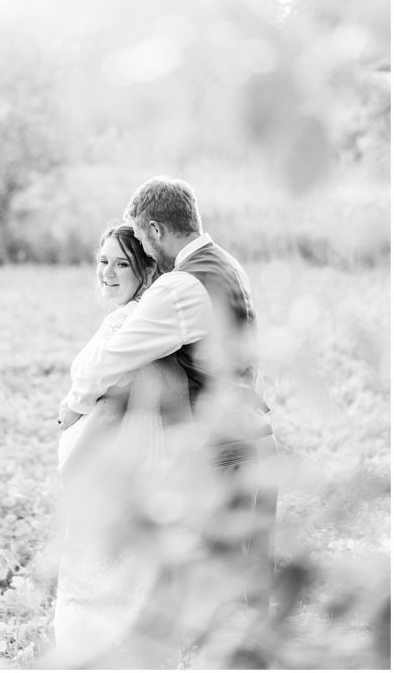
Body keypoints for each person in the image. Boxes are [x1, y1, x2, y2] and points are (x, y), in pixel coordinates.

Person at [59, 177, 278, 616]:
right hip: (258, 442)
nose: (142, 245)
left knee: (219, 599)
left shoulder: (180, 288)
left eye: (140, 236)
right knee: (251, 590)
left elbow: (107, 363)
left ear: (155, 229)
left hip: (221, 455)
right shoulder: (228, 266)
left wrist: (72, 407)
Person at [53, 224, 192, 666]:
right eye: (103, 260)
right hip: (129, 460)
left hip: (116, 463)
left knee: (99, 577)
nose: (107, 273)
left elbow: (110, 395)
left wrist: (73, 462)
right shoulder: (139, 318)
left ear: (146, 270)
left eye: (122, 264)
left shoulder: (128, 323)